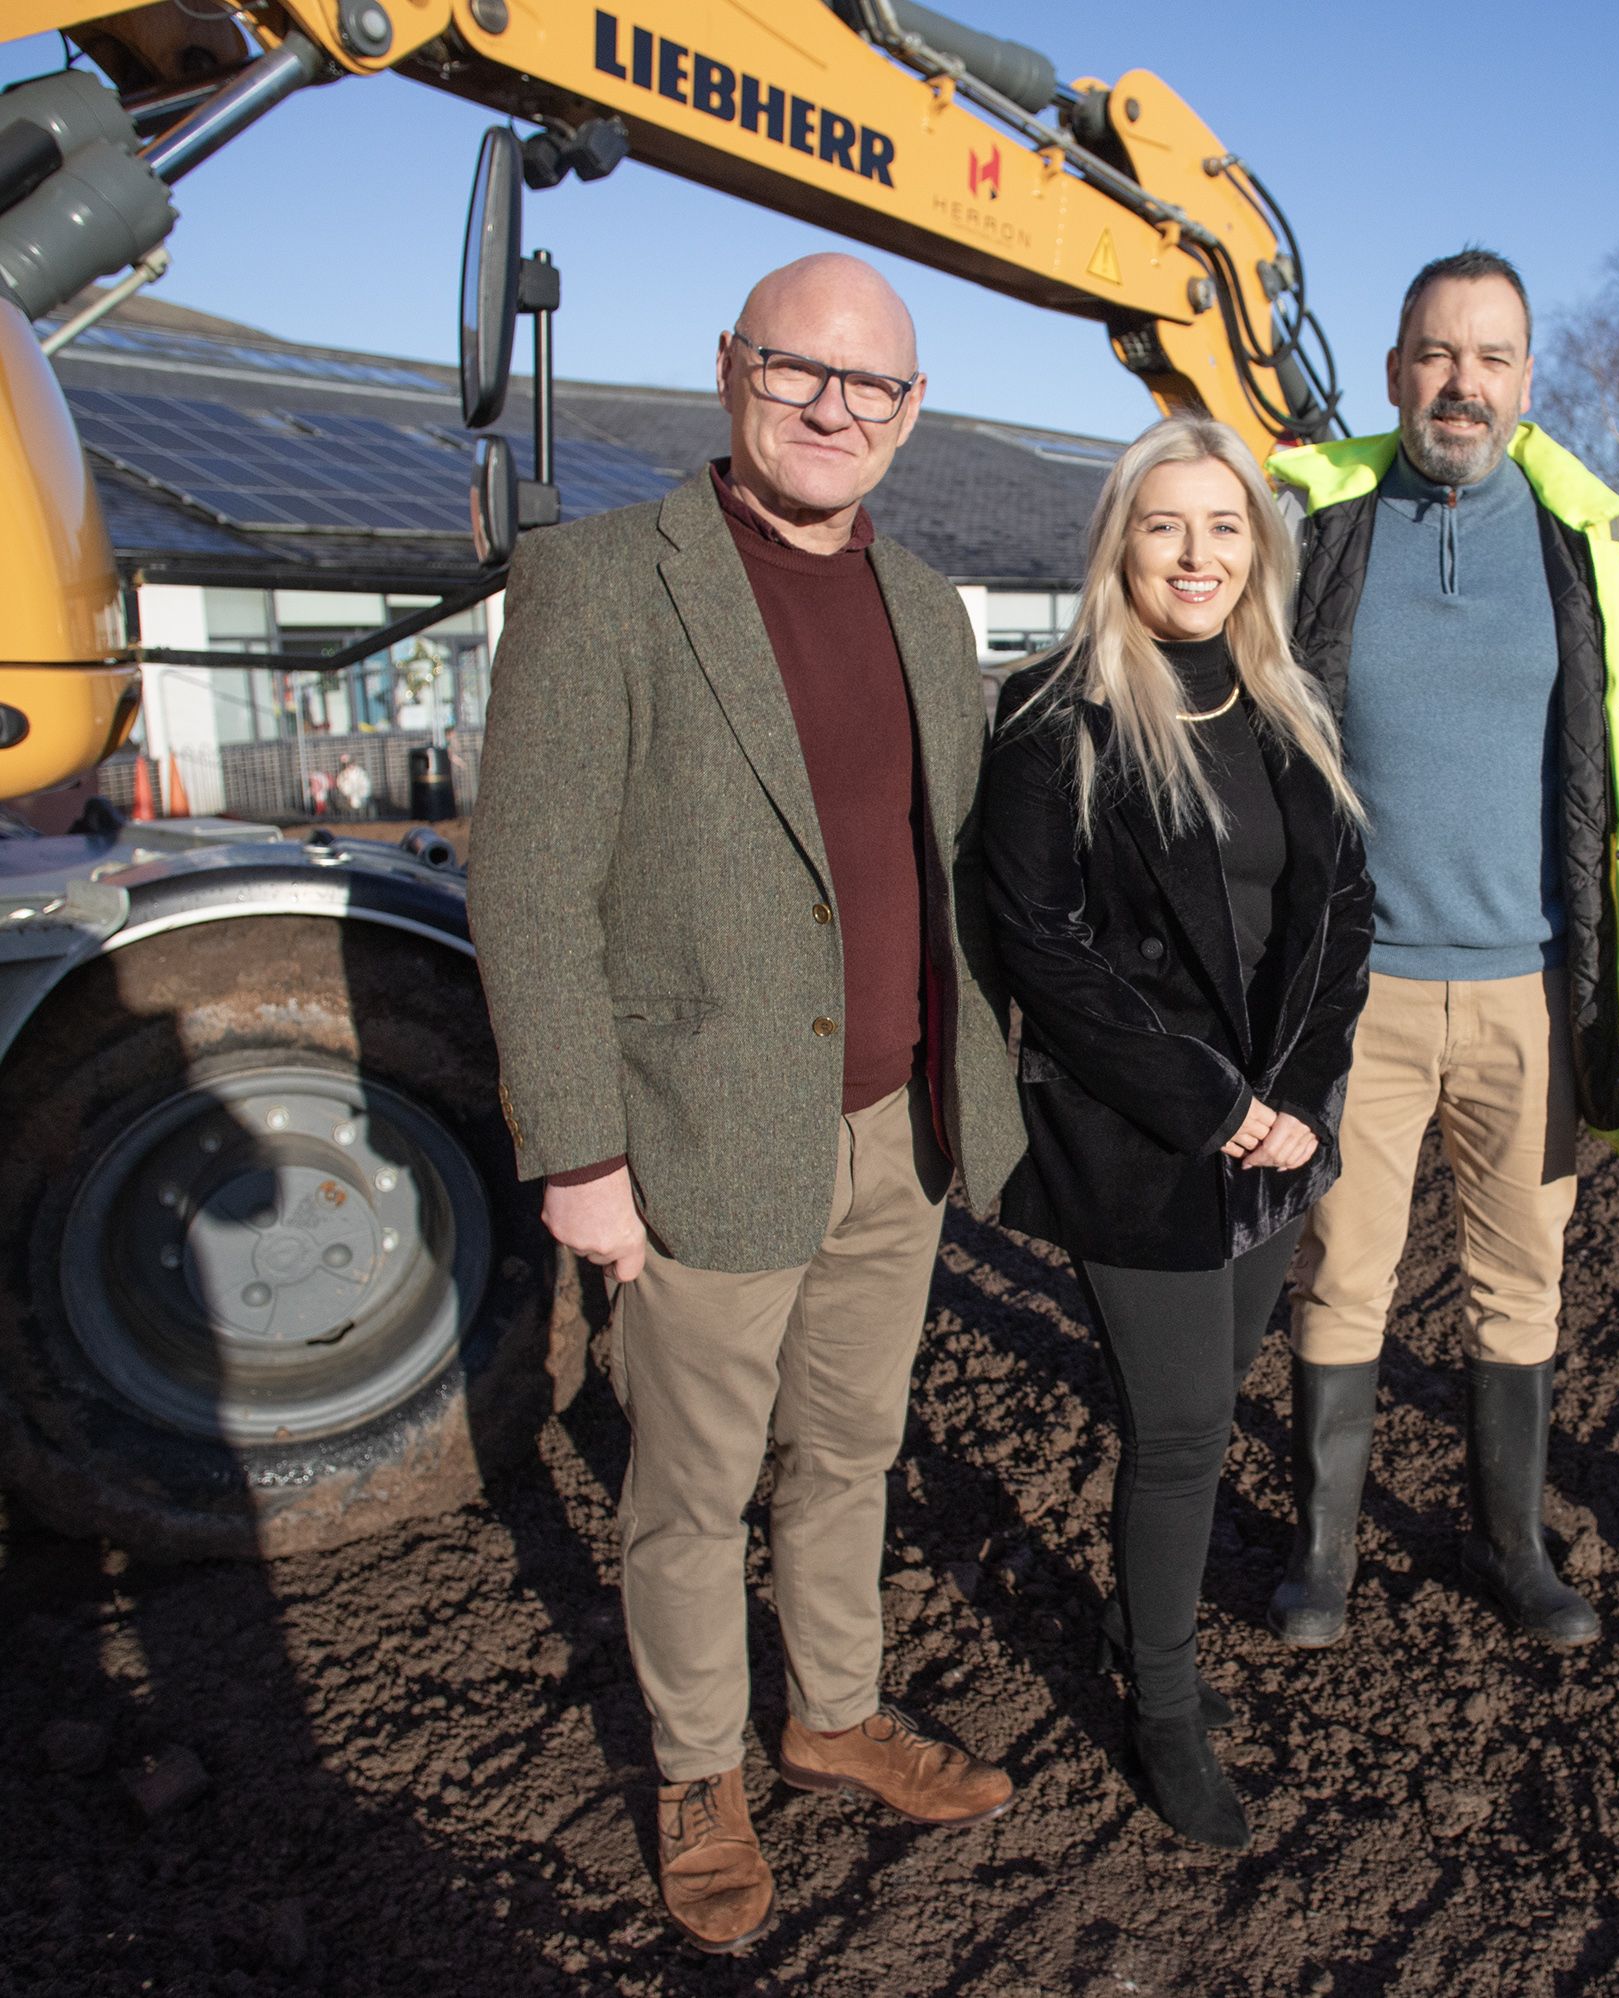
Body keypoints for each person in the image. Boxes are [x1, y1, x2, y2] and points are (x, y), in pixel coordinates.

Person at [466, 253, 1026, 1953]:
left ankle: (834, 1708)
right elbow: (531, 885)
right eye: (801, 368)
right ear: (730, 369)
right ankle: (699, 1767)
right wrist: (579, 1153)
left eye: (874, 386)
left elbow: (965, 870)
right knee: (692, 1486)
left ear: (912, 413)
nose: (835, 406)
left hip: (895, 1129)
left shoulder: (931, 606)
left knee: (852, 1445)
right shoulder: (603, 581)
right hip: (700, 1131)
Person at [1265, 248, 1619, 1652]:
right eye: (1436, 353)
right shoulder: (1308, 521)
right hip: (1361, 996)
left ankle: (1515, 1545)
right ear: (1396, 365)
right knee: (1343, 1272)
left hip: (1530, 991)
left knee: (1522, 1278)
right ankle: (1325, 1553)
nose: (1463, 382)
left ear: (1529, 378)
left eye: (1492, 357)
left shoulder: (1600, 547)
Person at [979, 414, 1373, 1850]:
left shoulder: (1291, 704)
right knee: (1186, 1427)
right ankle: (1163, 1704)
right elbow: (1047, 950)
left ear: (1257, 548)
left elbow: (1342, 921)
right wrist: (1216, 1107)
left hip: (1277, 1140)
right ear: (1119, 544)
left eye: (1224, 527)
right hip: (1141, 1138)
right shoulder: (1053, 715)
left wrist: (1301, 1102)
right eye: (1166, 525)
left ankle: (1155, 1653)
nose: (1197, 555)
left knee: (1207, 1402)